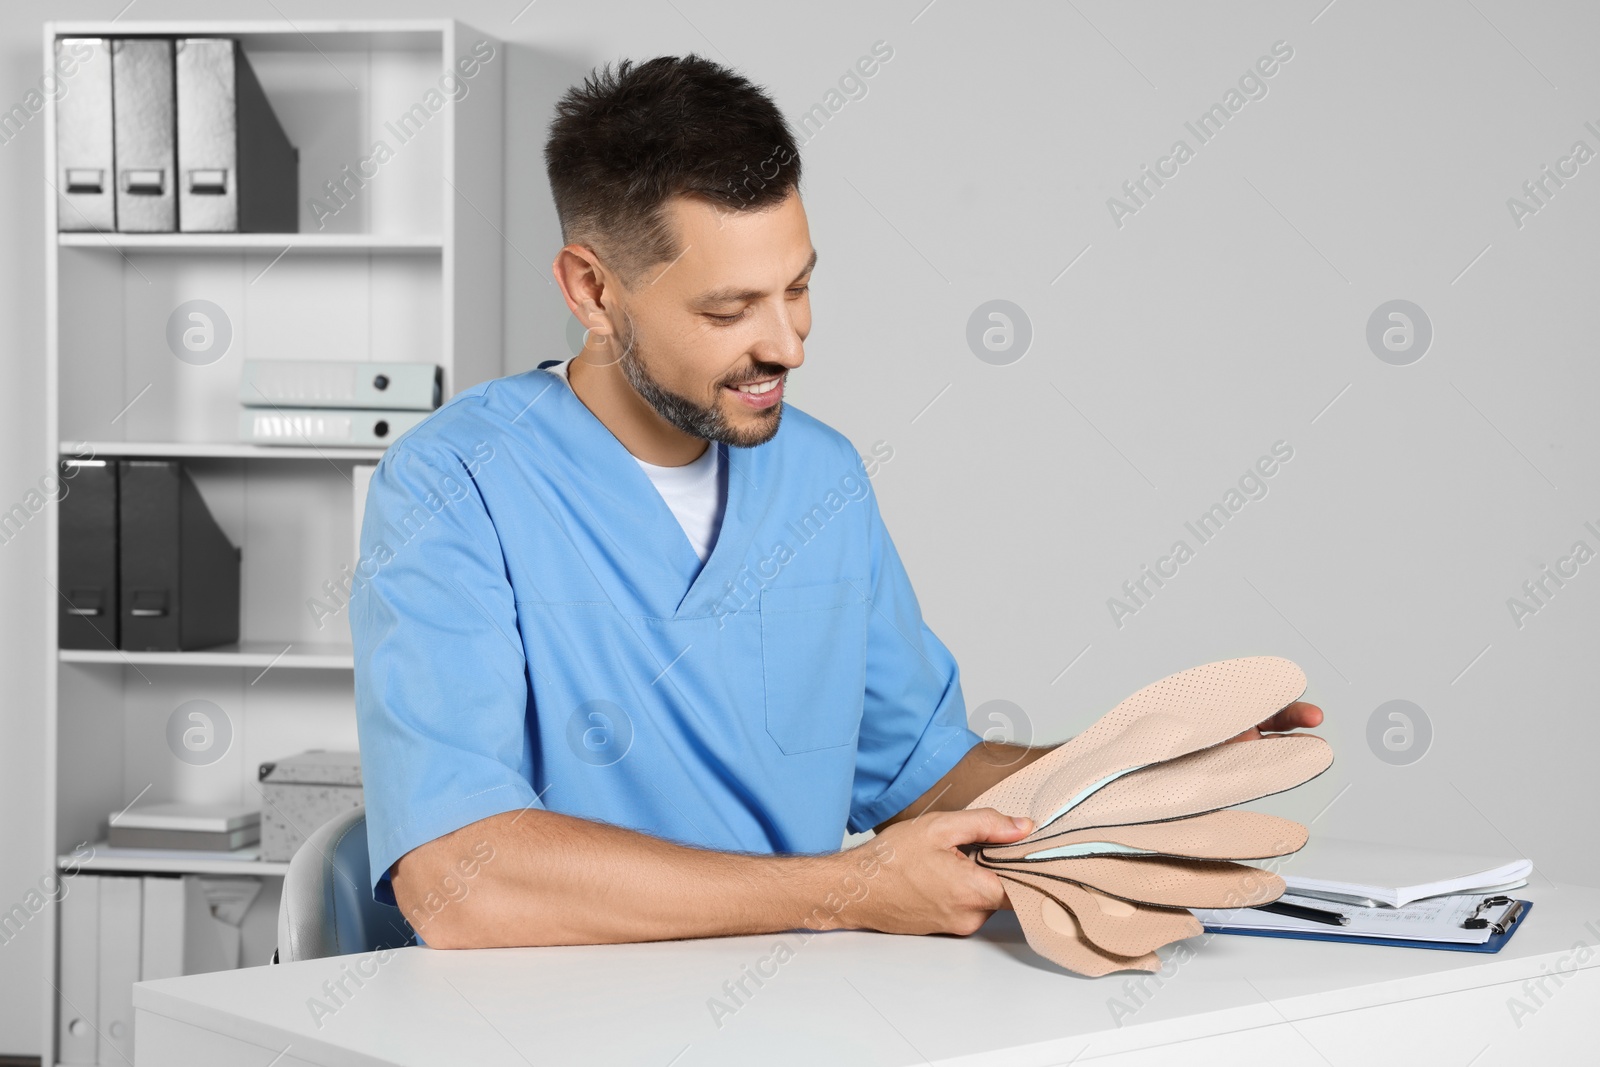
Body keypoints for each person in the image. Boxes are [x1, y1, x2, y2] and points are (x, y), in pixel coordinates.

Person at [350, 55, 1323, 949]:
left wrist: (1137, 762)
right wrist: (843, 889)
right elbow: (460, 882)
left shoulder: (820, 476)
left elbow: (924, 779)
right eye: (728, 311)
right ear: (593, 291)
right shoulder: (456, 483)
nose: (788, 345)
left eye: (799, 289)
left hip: (809, 1015)